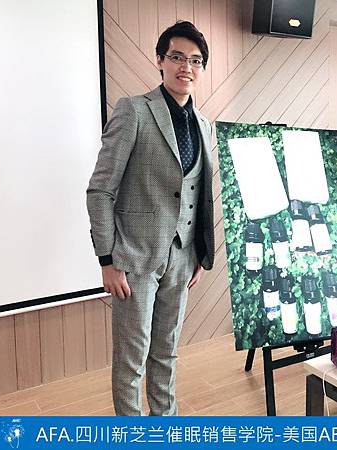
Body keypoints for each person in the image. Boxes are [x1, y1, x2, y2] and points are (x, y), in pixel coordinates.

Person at [86, 21, 214, 416]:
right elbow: (100, 190)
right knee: (132, 358)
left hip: (182, 258)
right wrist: (107, 260)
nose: (186, 67)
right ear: (160, 60)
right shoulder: (134, 111)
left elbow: (200, 194)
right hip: (134, 257)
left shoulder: (205, 126)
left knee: (167, 352)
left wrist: (199, 252)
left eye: (195, 60)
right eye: (177, 57)